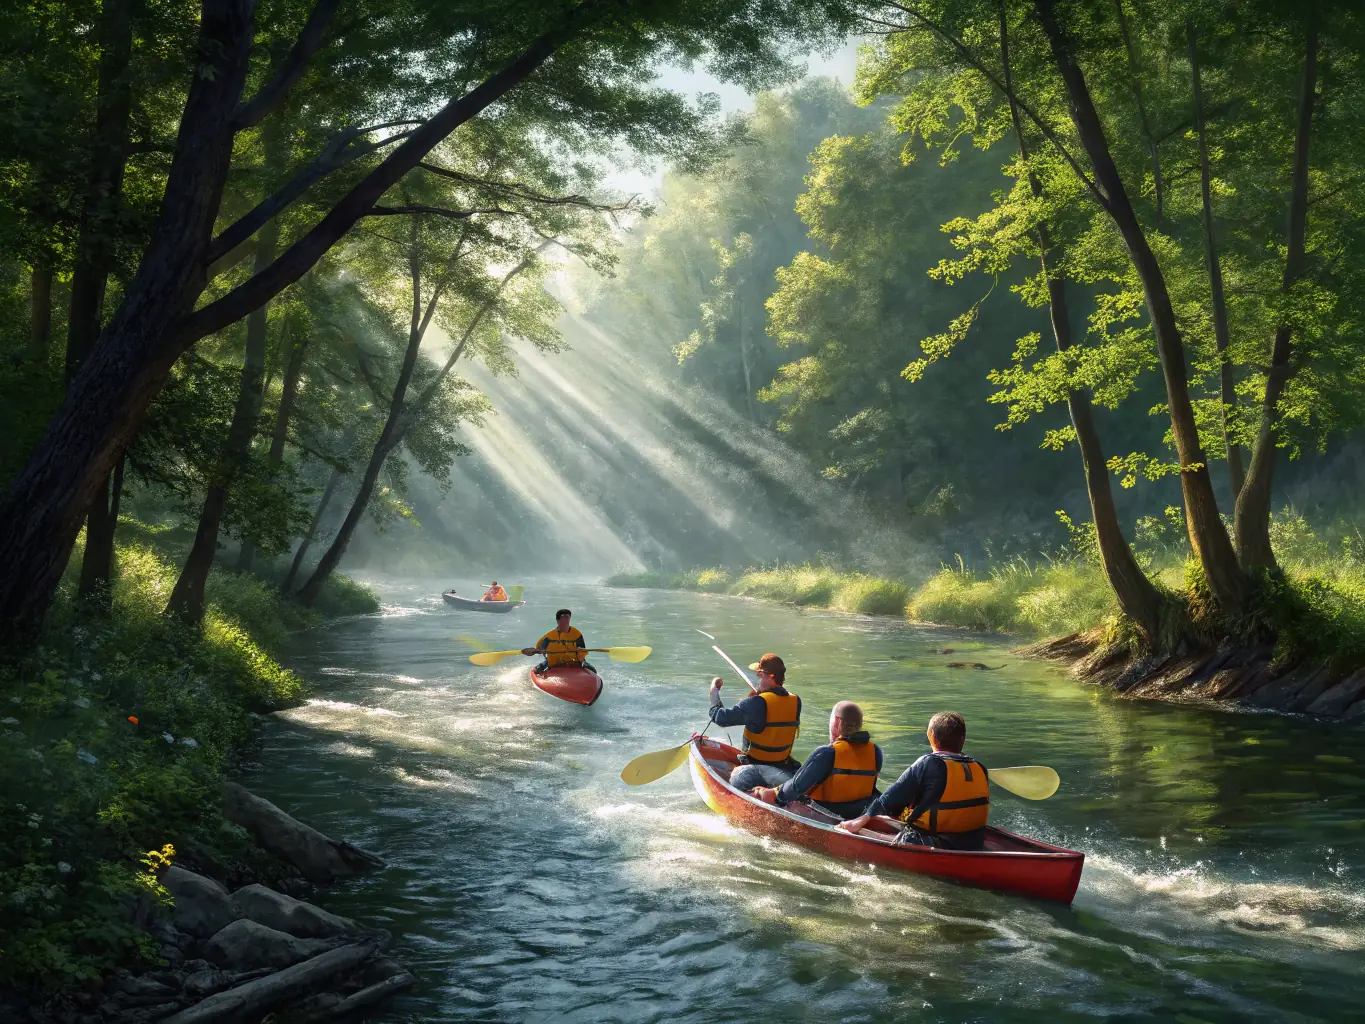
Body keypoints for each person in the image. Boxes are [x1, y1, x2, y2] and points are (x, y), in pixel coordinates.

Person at [837, 711, 989, 850]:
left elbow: (889, 800)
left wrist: (861, 820)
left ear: (931, 736)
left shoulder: (928, 763)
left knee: (877, 820)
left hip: (935, 842)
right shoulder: (979, 767)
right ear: (963, 739)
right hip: (975, 842)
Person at [752, 701, 882, 818]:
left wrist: (774, 794)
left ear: (836, 721)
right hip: (856, 813)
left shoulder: (827, 753)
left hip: (823, 813)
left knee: (760, 781)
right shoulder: (876, 752)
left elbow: (795, 787)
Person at [708, 653, 802, 792]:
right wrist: (756, 697)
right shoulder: (795, 700)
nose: (758, 678)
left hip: (760, 769)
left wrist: (714, 691)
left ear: (770, 676)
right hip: (784, 768)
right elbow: (772, 713)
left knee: (735, 776)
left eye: (759, 675)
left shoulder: (758, 702)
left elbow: (721, 718)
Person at [522, 609, 596, 672]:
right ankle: (543, 666)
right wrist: (538, 651)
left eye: (568, 618)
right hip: (554, 662)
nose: (566, 620)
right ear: (558, 620)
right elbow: (540, 649)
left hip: (573, 662)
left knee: (593, 670)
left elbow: (582, 650)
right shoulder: (549, 636)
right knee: (537, 671)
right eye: (564, 618)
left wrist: (582, 660)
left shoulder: (577, 634)